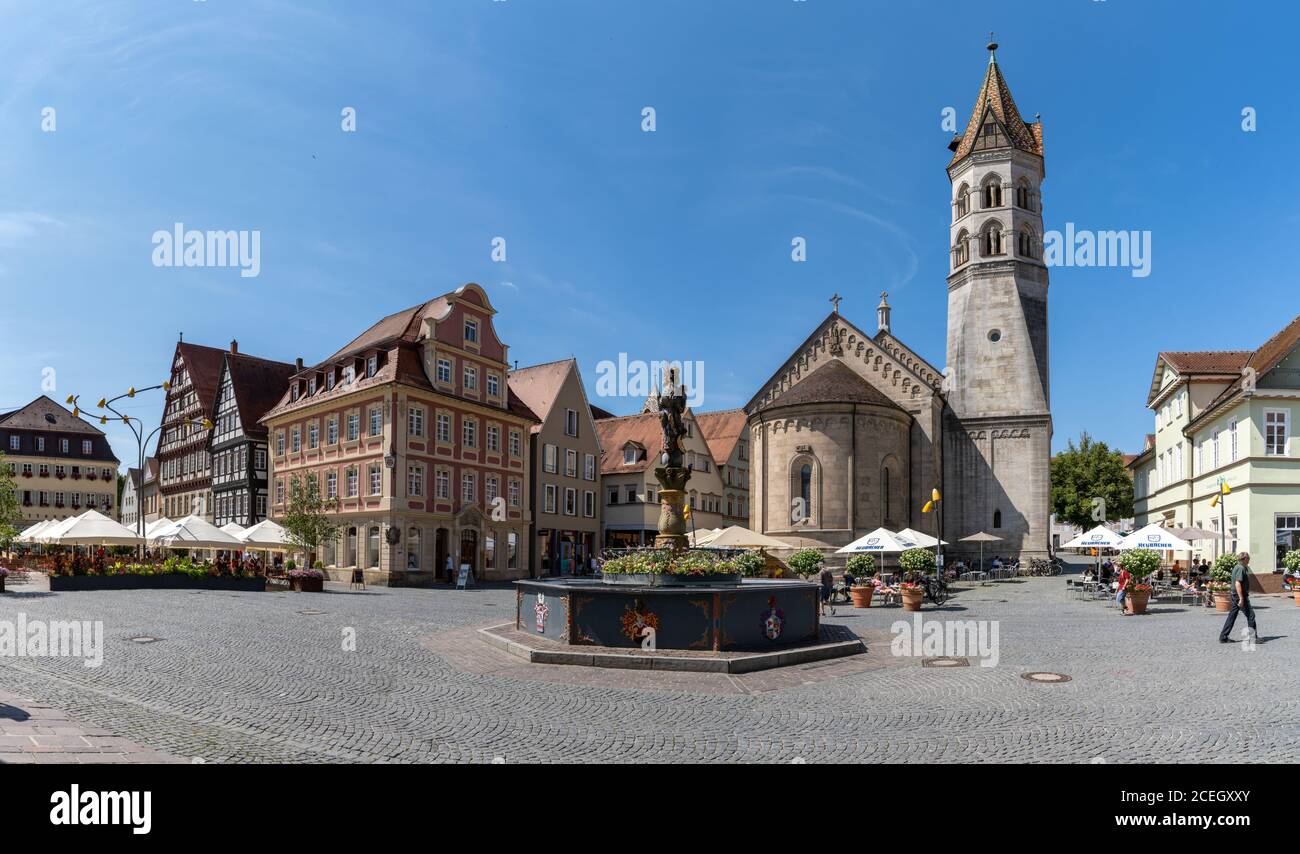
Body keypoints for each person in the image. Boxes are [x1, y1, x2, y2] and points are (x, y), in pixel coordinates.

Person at [1218, 552, 1257, 644]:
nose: (1249, 560)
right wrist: (1241, 598)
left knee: (1232, 615)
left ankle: (1223, 637)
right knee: (1251, 615)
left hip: (1235, 594)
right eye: (1248, 559)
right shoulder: (1240, 568)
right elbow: (1238, 583)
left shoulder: (1238, 567)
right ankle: (1252, 638)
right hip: (1239, 595)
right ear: (1244, 559)